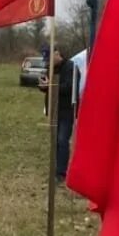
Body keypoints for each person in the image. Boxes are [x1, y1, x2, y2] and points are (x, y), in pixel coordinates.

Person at [38, 46, 79, 184]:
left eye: (50, 57)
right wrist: (43, 86)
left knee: (62, 140)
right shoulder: (51, 68)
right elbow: (45, 86)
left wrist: (51, 85)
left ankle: (61, 173)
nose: (48, 61)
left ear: (58, 54)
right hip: (54, 109)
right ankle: (55, 169)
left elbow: (69, 87)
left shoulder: (71, 68)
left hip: (66, 110)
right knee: (55, 141)